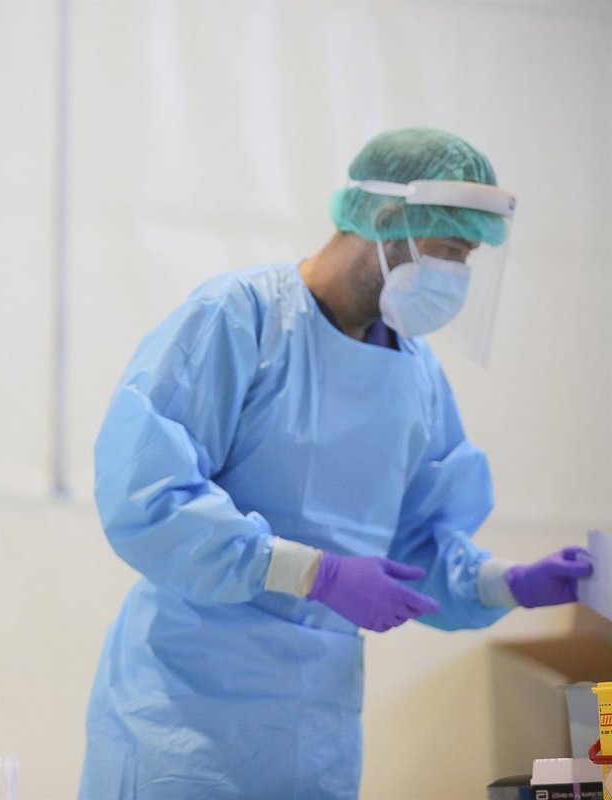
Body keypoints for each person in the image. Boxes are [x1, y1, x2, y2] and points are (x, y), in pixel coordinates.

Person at [78, 128, 593, 800]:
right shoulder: (240, 321)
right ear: (387, 219)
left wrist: (508, 583)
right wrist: (314, 573)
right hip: (187, 713)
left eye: (468, 257)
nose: (457, 276)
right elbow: (148, 498)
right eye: (450, 249)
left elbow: (418, 552)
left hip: (316, 730)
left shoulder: (414, 374)